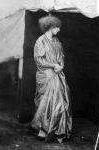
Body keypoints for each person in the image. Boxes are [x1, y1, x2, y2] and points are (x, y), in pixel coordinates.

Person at [30, 15, 72, 143]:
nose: (59, 30)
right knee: (45, 101)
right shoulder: (40, 41)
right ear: (51, 27)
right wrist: (53, 65)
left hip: (57, 73)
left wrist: (60, 66)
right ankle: (43, 129)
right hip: (46, 74)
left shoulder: (56, 41)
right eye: (57, 28)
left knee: (61, 99)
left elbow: (61, 56)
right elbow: (39, 60)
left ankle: (56, 129)